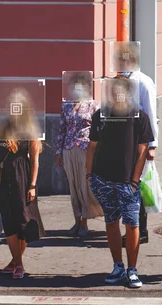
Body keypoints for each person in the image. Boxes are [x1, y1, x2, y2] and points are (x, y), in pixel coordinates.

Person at [86, 76, 154, 288]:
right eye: (114, 91)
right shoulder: (102, 116)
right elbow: (92, 146)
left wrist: (134, 181)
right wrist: (89, 175)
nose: (117, 95)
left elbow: (143, 151)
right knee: (111, 222)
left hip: (127, 182)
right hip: (103, 178)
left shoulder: (139, 117)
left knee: (132, 225)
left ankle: (132, 270)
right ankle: (118, 267)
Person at [0, 89, 46, 280]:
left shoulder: (30, 128)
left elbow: (35, 160)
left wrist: (32, 185)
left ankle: (15, 261)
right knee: (9, 221)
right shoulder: (2, 126)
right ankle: (19, 264)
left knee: (24, 221)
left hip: (23, 177)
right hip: (3, 177)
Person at [118, 47, 159, 246]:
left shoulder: (143, 81)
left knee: (137, 186)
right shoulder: (121, 81)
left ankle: (140, 230)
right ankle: (132, 227)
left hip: (140, 141)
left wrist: (152, 145)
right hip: (125, 141)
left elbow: (150, 113)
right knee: (128, 184)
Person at [56, 76, 104, 237]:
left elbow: (99, 129)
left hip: (85, 148)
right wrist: (58, 152)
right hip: (68, 149)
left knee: (85, 186)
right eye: (74, 86)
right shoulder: (66, 106)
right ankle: (77, 220)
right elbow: (62, 130)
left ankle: (85, 221)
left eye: (80, 86)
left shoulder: (93, 105)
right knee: (74, 186)